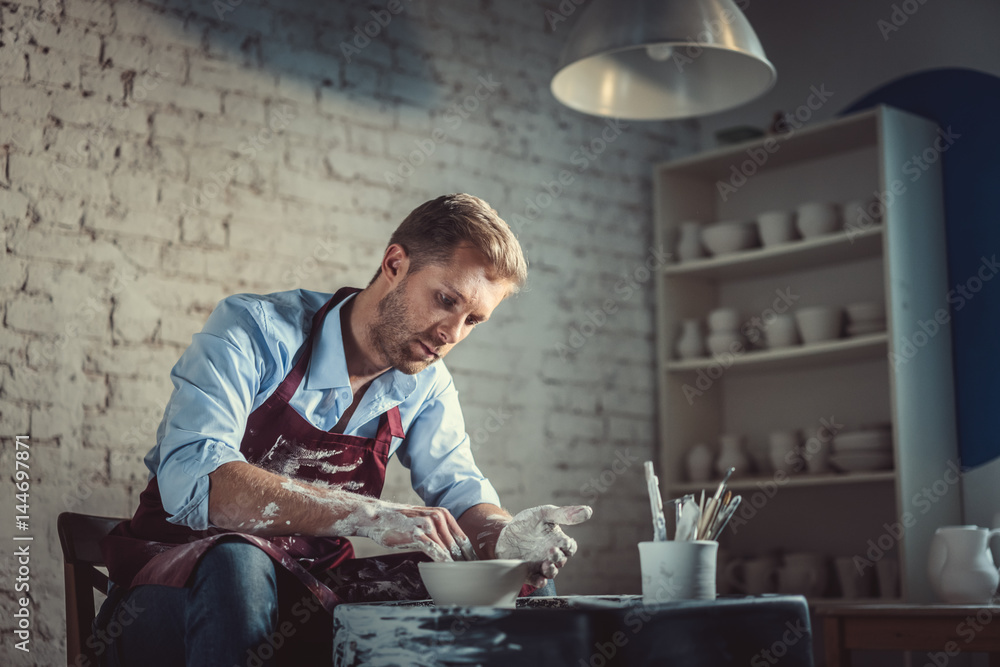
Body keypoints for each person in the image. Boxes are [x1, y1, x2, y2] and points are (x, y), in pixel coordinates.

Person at [94, 193, 593, 666]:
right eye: (445, 300)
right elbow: (193, 477)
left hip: (308, 589)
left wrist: (501, 536)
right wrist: (369, 514)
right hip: (173, 588)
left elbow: (460, 491)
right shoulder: (254, 329)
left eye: (473, 321)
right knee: (237, 561)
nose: (450, 334)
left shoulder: (426, 384)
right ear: (395, 264)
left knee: (516, 583)